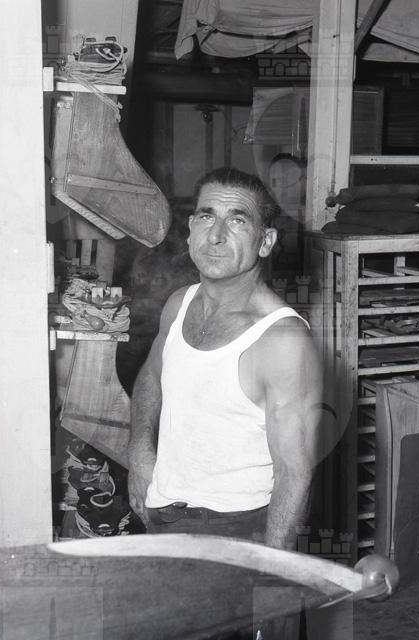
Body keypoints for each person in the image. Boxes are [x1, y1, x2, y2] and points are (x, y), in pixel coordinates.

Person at [127, 167, 322, 550]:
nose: (215, 235)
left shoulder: (281, 340)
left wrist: (271, 568)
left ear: (265, 242)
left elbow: (294, 475)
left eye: (237, 220)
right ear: (190, 229)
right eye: (206, 216)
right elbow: (151, 376)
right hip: (164, 513)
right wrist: (139, 452)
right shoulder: (179, 304)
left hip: (238, 530)